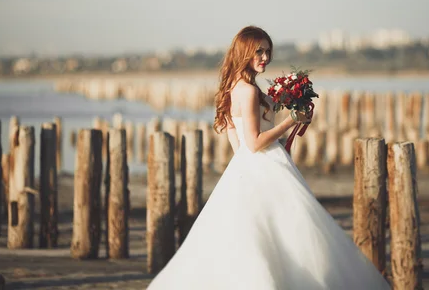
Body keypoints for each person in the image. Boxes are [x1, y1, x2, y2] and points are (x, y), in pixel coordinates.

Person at [147, 26, 390, 290]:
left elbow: (234, 132)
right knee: (285, 231)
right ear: (244, 54)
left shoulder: (235, 87)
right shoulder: (249, 92)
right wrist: (289, 122)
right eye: (258, 52)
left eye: (267, 51)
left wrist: (254, 154)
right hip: (261, 161)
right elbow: (254, 143)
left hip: (253, 164)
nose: (265, 57)